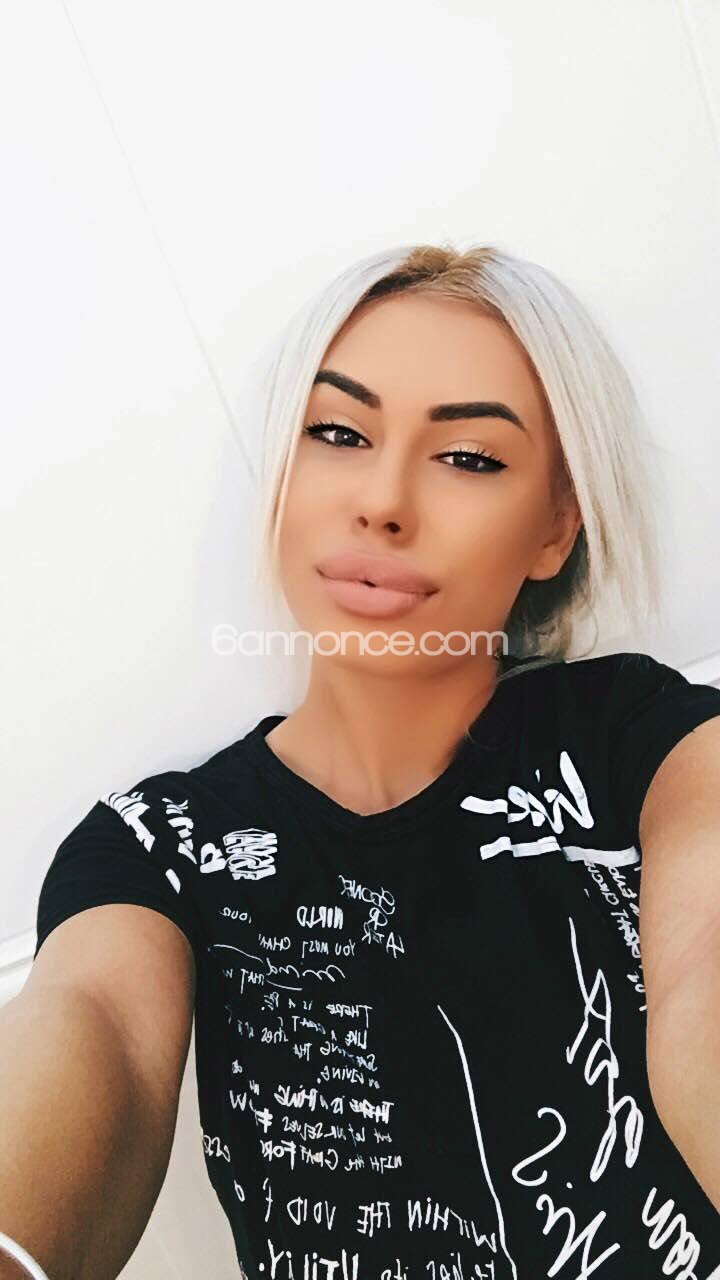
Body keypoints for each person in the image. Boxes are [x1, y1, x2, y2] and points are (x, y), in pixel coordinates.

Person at [7, 242, 720, 1278]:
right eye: (338, 433)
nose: (383, 501)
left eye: (469, 456)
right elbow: (96, 1025)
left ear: (557, 526)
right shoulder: (160, 847)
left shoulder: (644, 740)